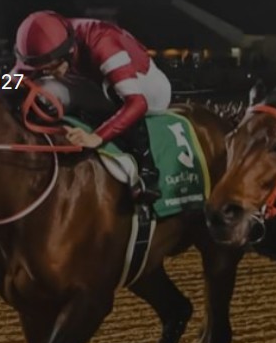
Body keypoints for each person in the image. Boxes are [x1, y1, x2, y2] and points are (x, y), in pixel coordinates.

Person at [13, 10, 169, 201]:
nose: (49, 72)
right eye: (43, 69)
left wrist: (96, 137)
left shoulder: (102, 41)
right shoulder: (44, 46)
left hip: (149, 88)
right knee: (38, 90)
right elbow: (10, 82)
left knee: (112, 89)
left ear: (69, 51)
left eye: (52, 66)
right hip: (90, 80)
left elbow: (137, 103)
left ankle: (147, 170)